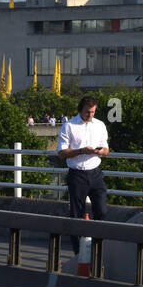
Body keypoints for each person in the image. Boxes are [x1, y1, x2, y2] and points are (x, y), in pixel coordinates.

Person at [57, 96, 110, 247]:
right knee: (76, 214)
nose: (90, 115)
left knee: (101, 210)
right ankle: (78, 250)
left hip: (95, 173)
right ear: (80, 109)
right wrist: (81, 151)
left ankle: (98, 245)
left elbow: (107, 150)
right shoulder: (69, 126)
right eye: (88, 112)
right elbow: (61, 153)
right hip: (77, 174)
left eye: (93, 112)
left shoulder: (99, 125)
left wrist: (101, 152)